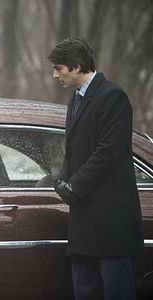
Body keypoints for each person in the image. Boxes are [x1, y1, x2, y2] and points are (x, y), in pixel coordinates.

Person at [48, 38, 143, 299]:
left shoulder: (113, 96)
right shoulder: (75, 100)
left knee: (117, 292)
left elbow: (108, 152)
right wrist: (61, 180)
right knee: (85, 291)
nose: (55, 75)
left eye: (59, 68)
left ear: (77, 67)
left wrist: (74, 186)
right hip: (84, 222)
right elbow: (75, 149)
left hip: (112, 222)